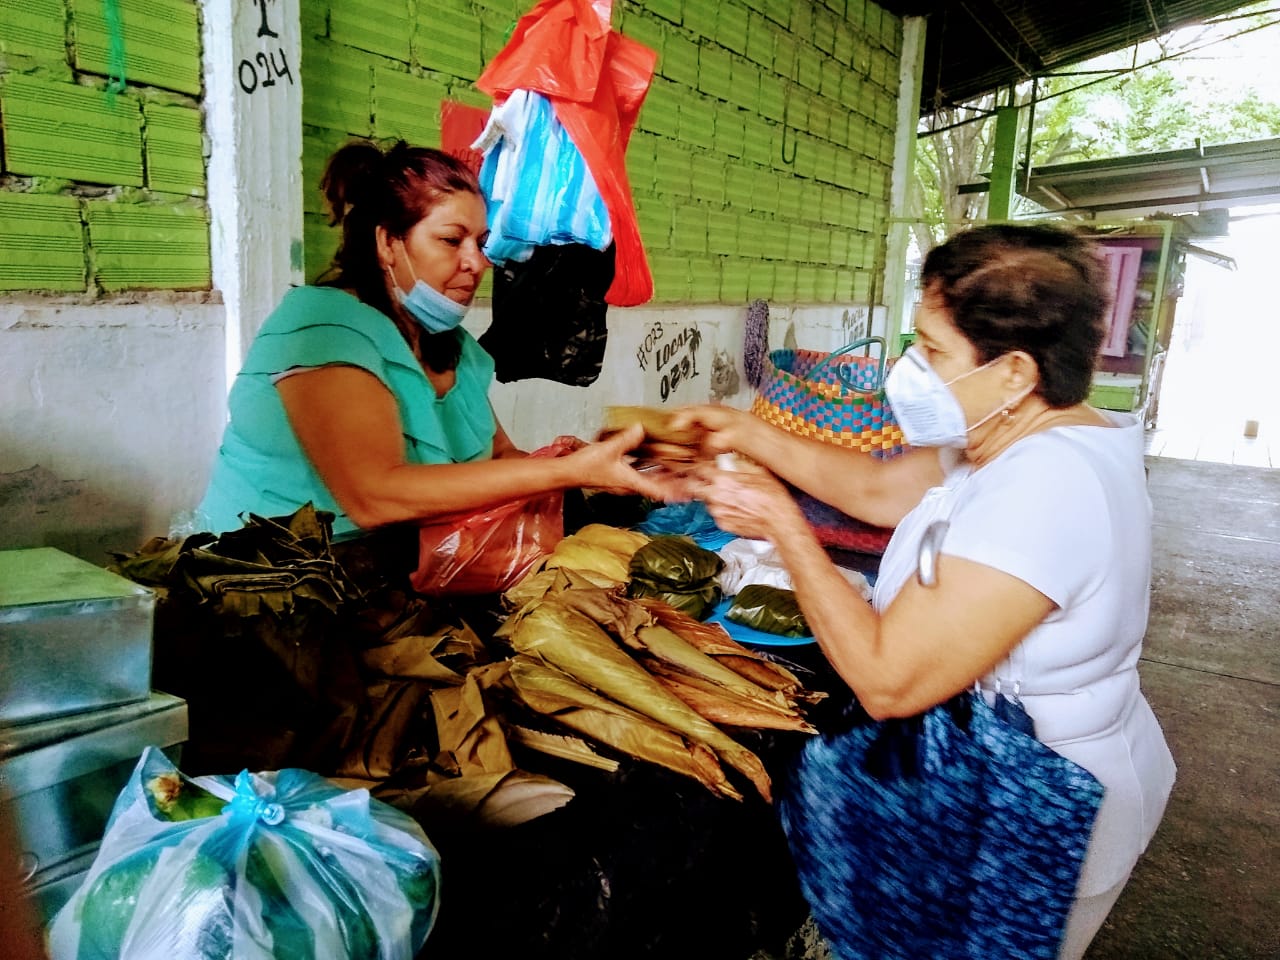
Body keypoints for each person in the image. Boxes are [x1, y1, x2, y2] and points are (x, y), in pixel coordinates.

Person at [670, 222, 1176, 960]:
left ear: (1014, 372)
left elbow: (886, 680)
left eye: (932, 351)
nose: (908, 367)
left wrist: (782, 523)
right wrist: (742, 432)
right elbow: (878, 490)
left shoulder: (1047, 485)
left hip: (1040, 796)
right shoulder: (1015, 439)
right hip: (1000, 769)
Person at [196, 139, 664, 541]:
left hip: (407, 575)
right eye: (450, 240)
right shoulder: (322, 327)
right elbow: (374, 495)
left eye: (480, 243)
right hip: (277, 587)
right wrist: (563, 473)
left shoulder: (452, 346)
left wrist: (586, 468)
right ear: (388, 242)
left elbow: (499, 457)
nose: (476, 263)